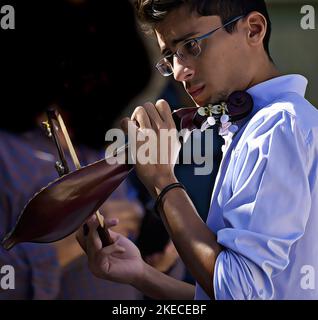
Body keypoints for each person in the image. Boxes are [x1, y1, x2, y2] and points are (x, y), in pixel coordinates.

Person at [77, 0, 318, 300]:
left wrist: (162, 180)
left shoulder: (278, 126)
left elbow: (237, 292)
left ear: (254, 30)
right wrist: (141, 274)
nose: (178, 72)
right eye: (169, 56)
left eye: (191, 45)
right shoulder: (264, 126)